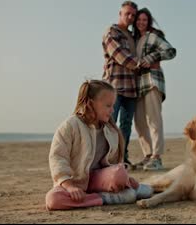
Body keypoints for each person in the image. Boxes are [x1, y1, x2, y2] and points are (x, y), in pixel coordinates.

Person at [45, 80, 152, 211]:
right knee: (53, 200)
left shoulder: (111, 131)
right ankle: (105, 198)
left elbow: (113, 165)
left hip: (98, 180)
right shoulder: (70, 125)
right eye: (108, 106)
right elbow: (57, 158)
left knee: (120, 173)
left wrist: (125, 179)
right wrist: (69, 186)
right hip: (73, 182)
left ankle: (129, 190)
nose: (112, 110)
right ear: (90, 104)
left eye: (113, 106)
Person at [132, 8, 177, 171]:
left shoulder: (154, 36)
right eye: (138, 20)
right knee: (139, 122)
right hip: (138, 85)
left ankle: (157, 157)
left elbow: (170, 51)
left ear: (148, 21)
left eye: (144, 20)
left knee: (154, 119)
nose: (141, 22)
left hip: (152, 81)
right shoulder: (134, 39)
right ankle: (148, 155)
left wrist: (151, 58)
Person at [102, 0, 139, 168]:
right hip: (114, 86)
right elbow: (119, 55)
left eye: (133, 15)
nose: (130, 17)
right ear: (120, 13)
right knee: (109, 123)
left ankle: (122, 157)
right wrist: (141, 64)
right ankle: (105, 158)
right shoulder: (112, 31)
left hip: (132, 88)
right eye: (127, 14)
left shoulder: (132, 36)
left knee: (126, 125)